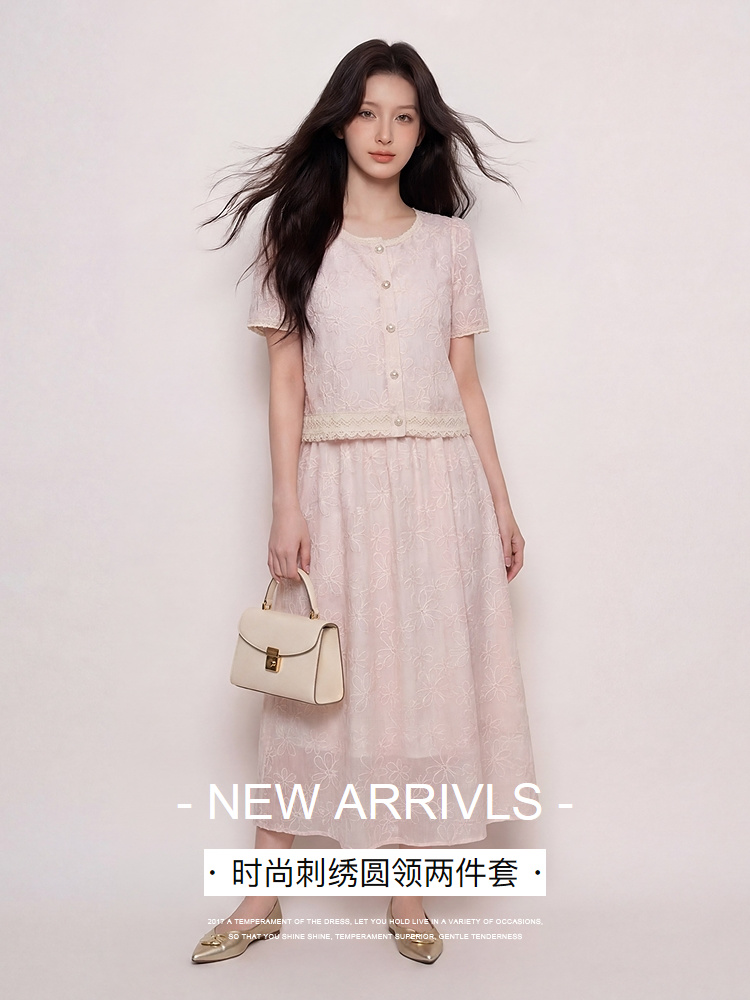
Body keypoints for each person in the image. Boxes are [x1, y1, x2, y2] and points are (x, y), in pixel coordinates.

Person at [192, 38, 535, 967]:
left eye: (405, 116)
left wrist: (501, 504)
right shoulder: (296, 237)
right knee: (309, 687)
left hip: (438, 486)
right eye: (369, 112)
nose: (385, 132)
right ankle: (261, 894)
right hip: (335, 485)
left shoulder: (450, 244)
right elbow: (286, 383)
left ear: (422, 132)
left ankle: (405, 889)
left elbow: (466, 383)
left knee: (422, 678)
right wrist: (285, 504)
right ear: (341, 122)